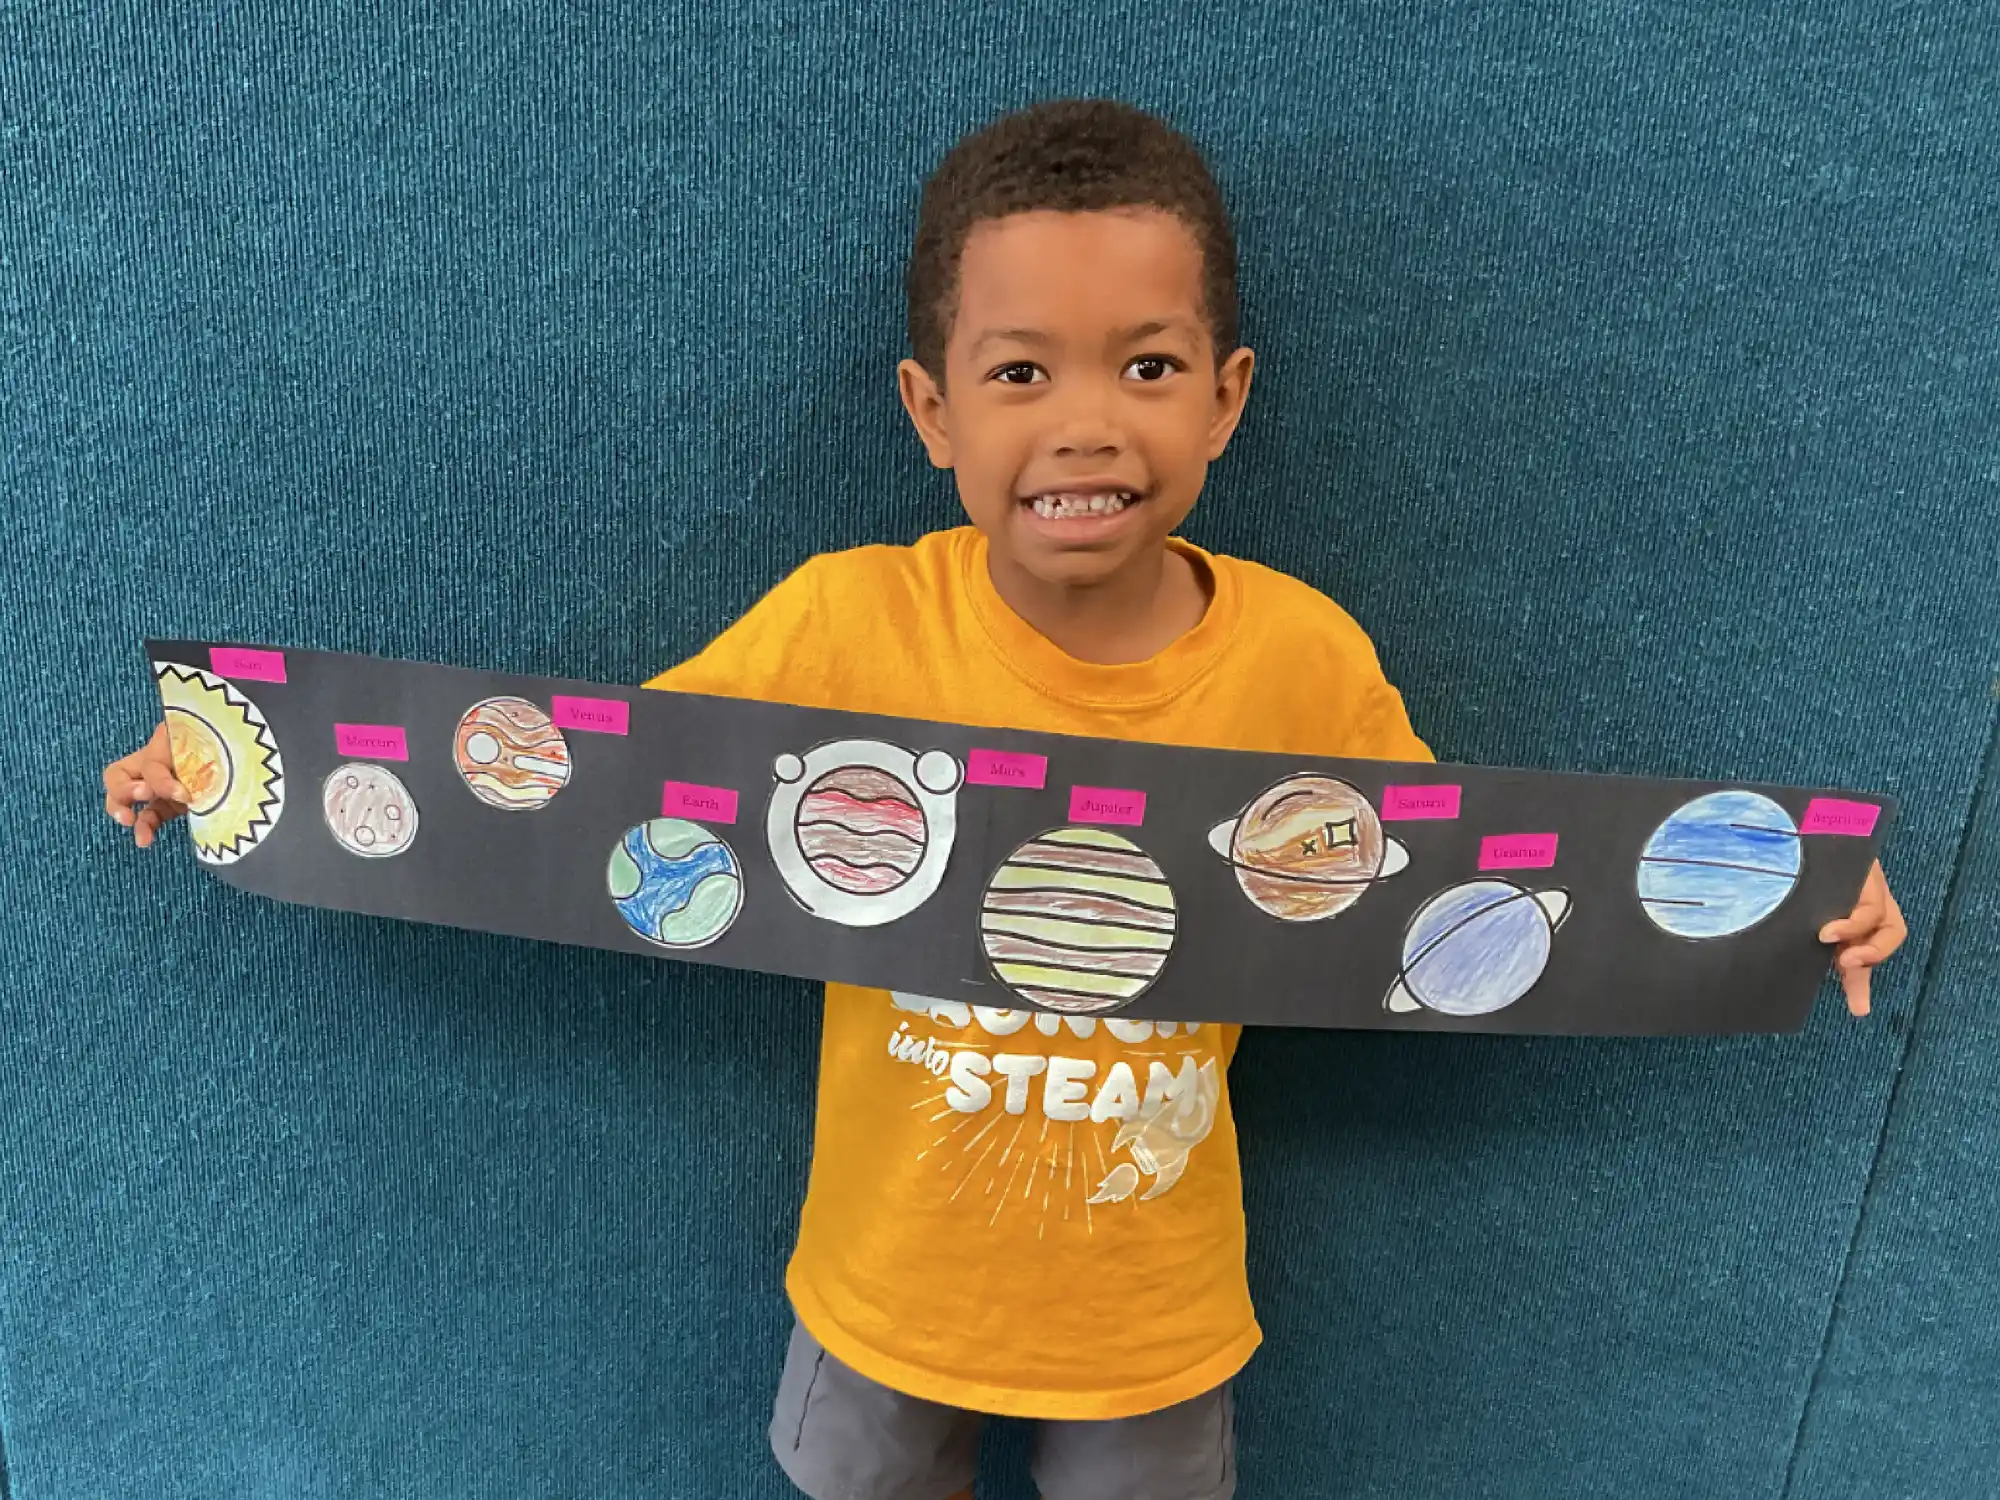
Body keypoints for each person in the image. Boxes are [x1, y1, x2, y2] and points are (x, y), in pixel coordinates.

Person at [101, 99, 1908, 1500]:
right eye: (1019, 371)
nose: (1086, 423)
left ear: (1226, 397)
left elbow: (1492, 909)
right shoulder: (847, 620)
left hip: (1155, 1322)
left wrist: (1781, 910)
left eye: (1145, 365)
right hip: (881, 1291)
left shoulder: (1301, 657)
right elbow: (567, 798)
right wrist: (240, 773)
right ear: (930, 409)